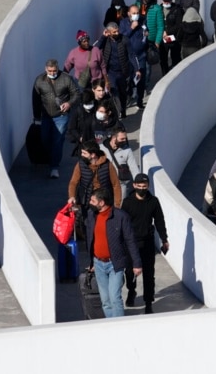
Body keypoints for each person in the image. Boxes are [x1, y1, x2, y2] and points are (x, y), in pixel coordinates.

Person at [85, 188, 141, 318]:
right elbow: (90, 239)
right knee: (105, 300)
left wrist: (137, 264)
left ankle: (119, 329)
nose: (90, 202)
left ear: (102, 202)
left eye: (93, 201)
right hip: (98, 263)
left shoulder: (121, 217)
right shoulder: (92, 215)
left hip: (115, 264)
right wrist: (91, 262)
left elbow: (130, 240)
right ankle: (110, 326)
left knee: (115, 297)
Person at [121, 173, 169, 314]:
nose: (142, 189)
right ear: (134, 185)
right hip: (131, 243)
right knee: (129, 272)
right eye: (139, 186)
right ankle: (131, 290)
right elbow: (122, 223)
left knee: (149, 274)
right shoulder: (128, 202)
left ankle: (148, 302)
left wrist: (164, 239)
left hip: (147, 242)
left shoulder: (153, 201)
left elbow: (159, 221)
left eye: (145, 186)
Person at [32, 58, 80, 178]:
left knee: (57, 141)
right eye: (50, 71)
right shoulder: (39, 80)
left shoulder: (66, 78)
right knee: (45, 139)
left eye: (54, 70)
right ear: (46, 69)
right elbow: (36, 100)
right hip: (46, 116)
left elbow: (76, 93)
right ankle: (50, 158)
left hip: (61, 116)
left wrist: (69, 103)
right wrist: (36, 117)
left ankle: (54, 167)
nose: (52, 73)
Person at [95, 22, 141, 118]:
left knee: (122, 92)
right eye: (114, 32)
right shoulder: (106, 40)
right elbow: (95, 49)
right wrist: (103, 37)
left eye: (117, 31)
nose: (116, 33)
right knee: (113, 92)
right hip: (110, 72)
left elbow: (131, 55)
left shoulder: (124, 40)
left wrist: (137, 69)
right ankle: (116, 112)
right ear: (109, 32)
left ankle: (123, 110)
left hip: (123, 72)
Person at [119, 4, 148, 109]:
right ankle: (129, 95)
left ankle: (139, 101)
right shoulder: (123, 23)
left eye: (137, 13)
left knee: (141, 78)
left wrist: (146, 35)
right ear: (128, 14)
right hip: (128, 57)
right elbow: (121, 38)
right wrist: (131, 28)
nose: (136, 15)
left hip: (140, 55)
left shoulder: (142, 21)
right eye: (134, 13)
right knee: (129, 79)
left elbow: (145, 31)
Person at [100, 127, 139, 199]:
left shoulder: (127, 150)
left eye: (125, 138)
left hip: (120, 185)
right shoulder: (101, 148)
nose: (125, 141)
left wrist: (138, 181)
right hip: (104, 184)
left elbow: (134, 168)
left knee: (120, 207)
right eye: (122, 139)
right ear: (114, 138)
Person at [159, 0, 183, 76]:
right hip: (162, 38)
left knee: (175, 57)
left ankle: (175, 75)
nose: (166, 3)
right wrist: (161, 32)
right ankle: (164, 74)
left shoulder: (177, 9)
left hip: (173, 38)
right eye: (165, 1)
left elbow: (179, 25)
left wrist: (167, 32)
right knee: (163, 58)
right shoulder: (159, 9)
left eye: (168, 1)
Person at [67, 89, 96, 156]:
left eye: (90, 102)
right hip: (83, 143)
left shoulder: (96, 109)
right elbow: (72, 128)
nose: (89, 105)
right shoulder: (78, 111)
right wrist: (79, 137)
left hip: (96, 140)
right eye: (86, 103)